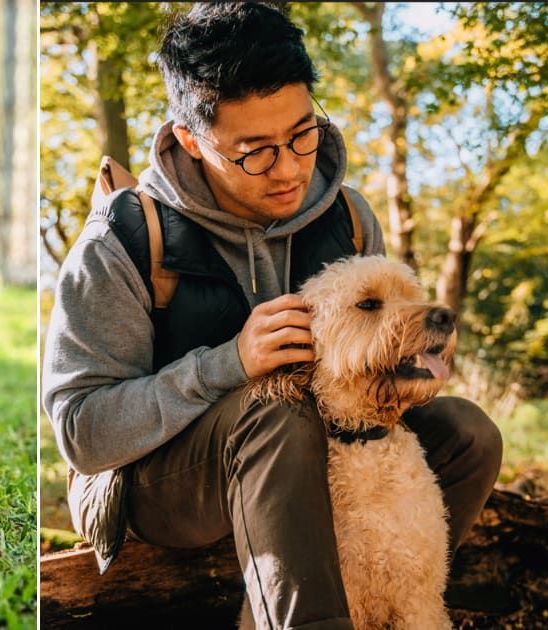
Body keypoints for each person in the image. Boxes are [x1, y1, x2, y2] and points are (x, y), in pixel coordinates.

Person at [41, 3, 503, 628]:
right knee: (275, 410)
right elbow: (82, 432)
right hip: (160, 487)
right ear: (189, 138)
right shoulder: (120, 241)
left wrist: (405, 367)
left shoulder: (348, 216)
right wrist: (227, 365)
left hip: (321, 458)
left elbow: (374, 352)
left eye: (302, 135)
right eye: (253, 151)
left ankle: (386, 595)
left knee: (468, 434)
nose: (288, 168)